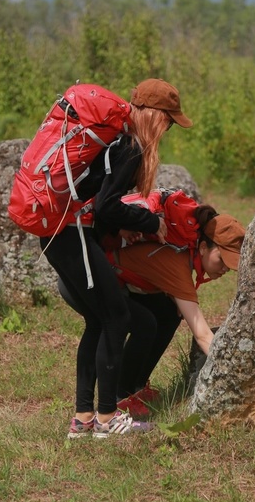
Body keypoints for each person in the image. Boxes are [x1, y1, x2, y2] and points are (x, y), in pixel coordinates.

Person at [39, 78, 193, 438]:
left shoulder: (115, 140)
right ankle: (107, 419)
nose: (168, 129)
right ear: (155, 116)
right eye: (168, 121)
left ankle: (83, 421)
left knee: (99, 320)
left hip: (57, 231)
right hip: (70, 234)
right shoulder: (130, 147)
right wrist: (149, 221)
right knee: (117, 317)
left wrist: (119, 227)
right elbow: (108, 206)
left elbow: (100, 203)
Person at [58, 201, 245, 418]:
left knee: (168, 312)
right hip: (82, 281)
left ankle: (134, 388)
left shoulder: (183, 247)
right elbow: (202, 334)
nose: (225, 269)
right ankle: (121, 398)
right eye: (222, 259)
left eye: (231, 264)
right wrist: (236, 372)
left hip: (104, 280)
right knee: (144, 323)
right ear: (203, 247)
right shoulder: (178, 261)